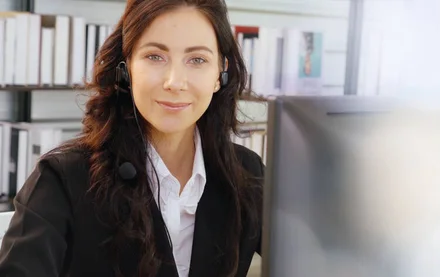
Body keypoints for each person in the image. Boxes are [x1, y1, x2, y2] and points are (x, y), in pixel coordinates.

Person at [0, 0, 264, 276]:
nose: (175, 82)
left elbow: (307, 254)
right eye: (155, 56)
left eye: (197, 60)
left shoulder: (247, 173)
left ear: (220, 73)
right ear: (126, 69)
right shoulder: (62, 179)